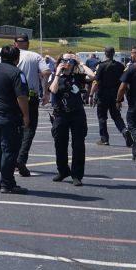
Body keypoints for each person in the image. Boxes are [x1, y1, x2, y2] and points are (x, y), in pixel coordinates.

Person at [0, 45, 29, 194]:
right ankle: (7, 183)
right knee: (10, 149)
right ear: (17, 58)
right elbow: (21, 96)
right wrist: (26, 115)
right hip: (9, 115)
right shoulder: (16, 73)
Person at [48, 54, 93, 185]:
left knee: (78, 144)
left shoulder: (78, 76)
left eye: (70, 60)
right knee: (60, 143)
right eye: (64, 60)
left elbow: (92, 77)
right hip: (61, 114)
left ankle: (77, 175)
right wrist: (57, 73)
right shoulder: (55, 76)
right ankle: (63, 171)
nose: (67, 62)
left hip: (77, 114)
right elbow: (53, 90)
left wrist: (81, 63)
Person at [12, 34, 51, 177]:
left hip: (12, 97)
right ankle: (21, 159)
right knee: (29, 129)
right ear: (28, 44)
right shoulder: (34, 56)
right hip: (29, 96)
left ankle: (12, 159)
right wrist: (45, 90)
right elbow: (46, 72)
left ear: (15, 43)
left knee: (14, 129)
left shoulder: (8, 55)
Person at [90, 47, 130, 147]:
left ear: (105, 54)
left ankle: (104, 139)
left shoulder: (101, 66)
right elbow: (124, 83)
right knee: (116, 116)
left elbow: (96, 81)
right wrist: (121, 98)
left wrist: (91, 94)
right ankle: (124, 130)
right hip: (115, 95)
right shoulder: (120, 66)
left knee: (102, 117)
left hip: (103, 95)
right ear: (114, 53)